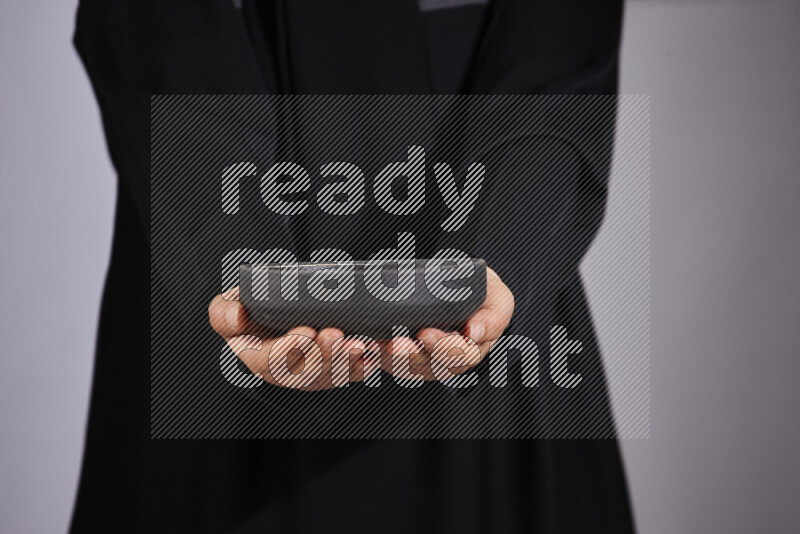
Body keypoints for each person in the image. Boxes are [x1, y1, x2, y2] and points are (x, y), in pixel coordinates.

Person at [70, 0, 634, 532]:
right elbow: (154, 23)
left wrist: (505, 246)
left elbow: (559, 38)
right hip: (198, 240)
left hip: (487, 227)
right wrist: (232, 261)